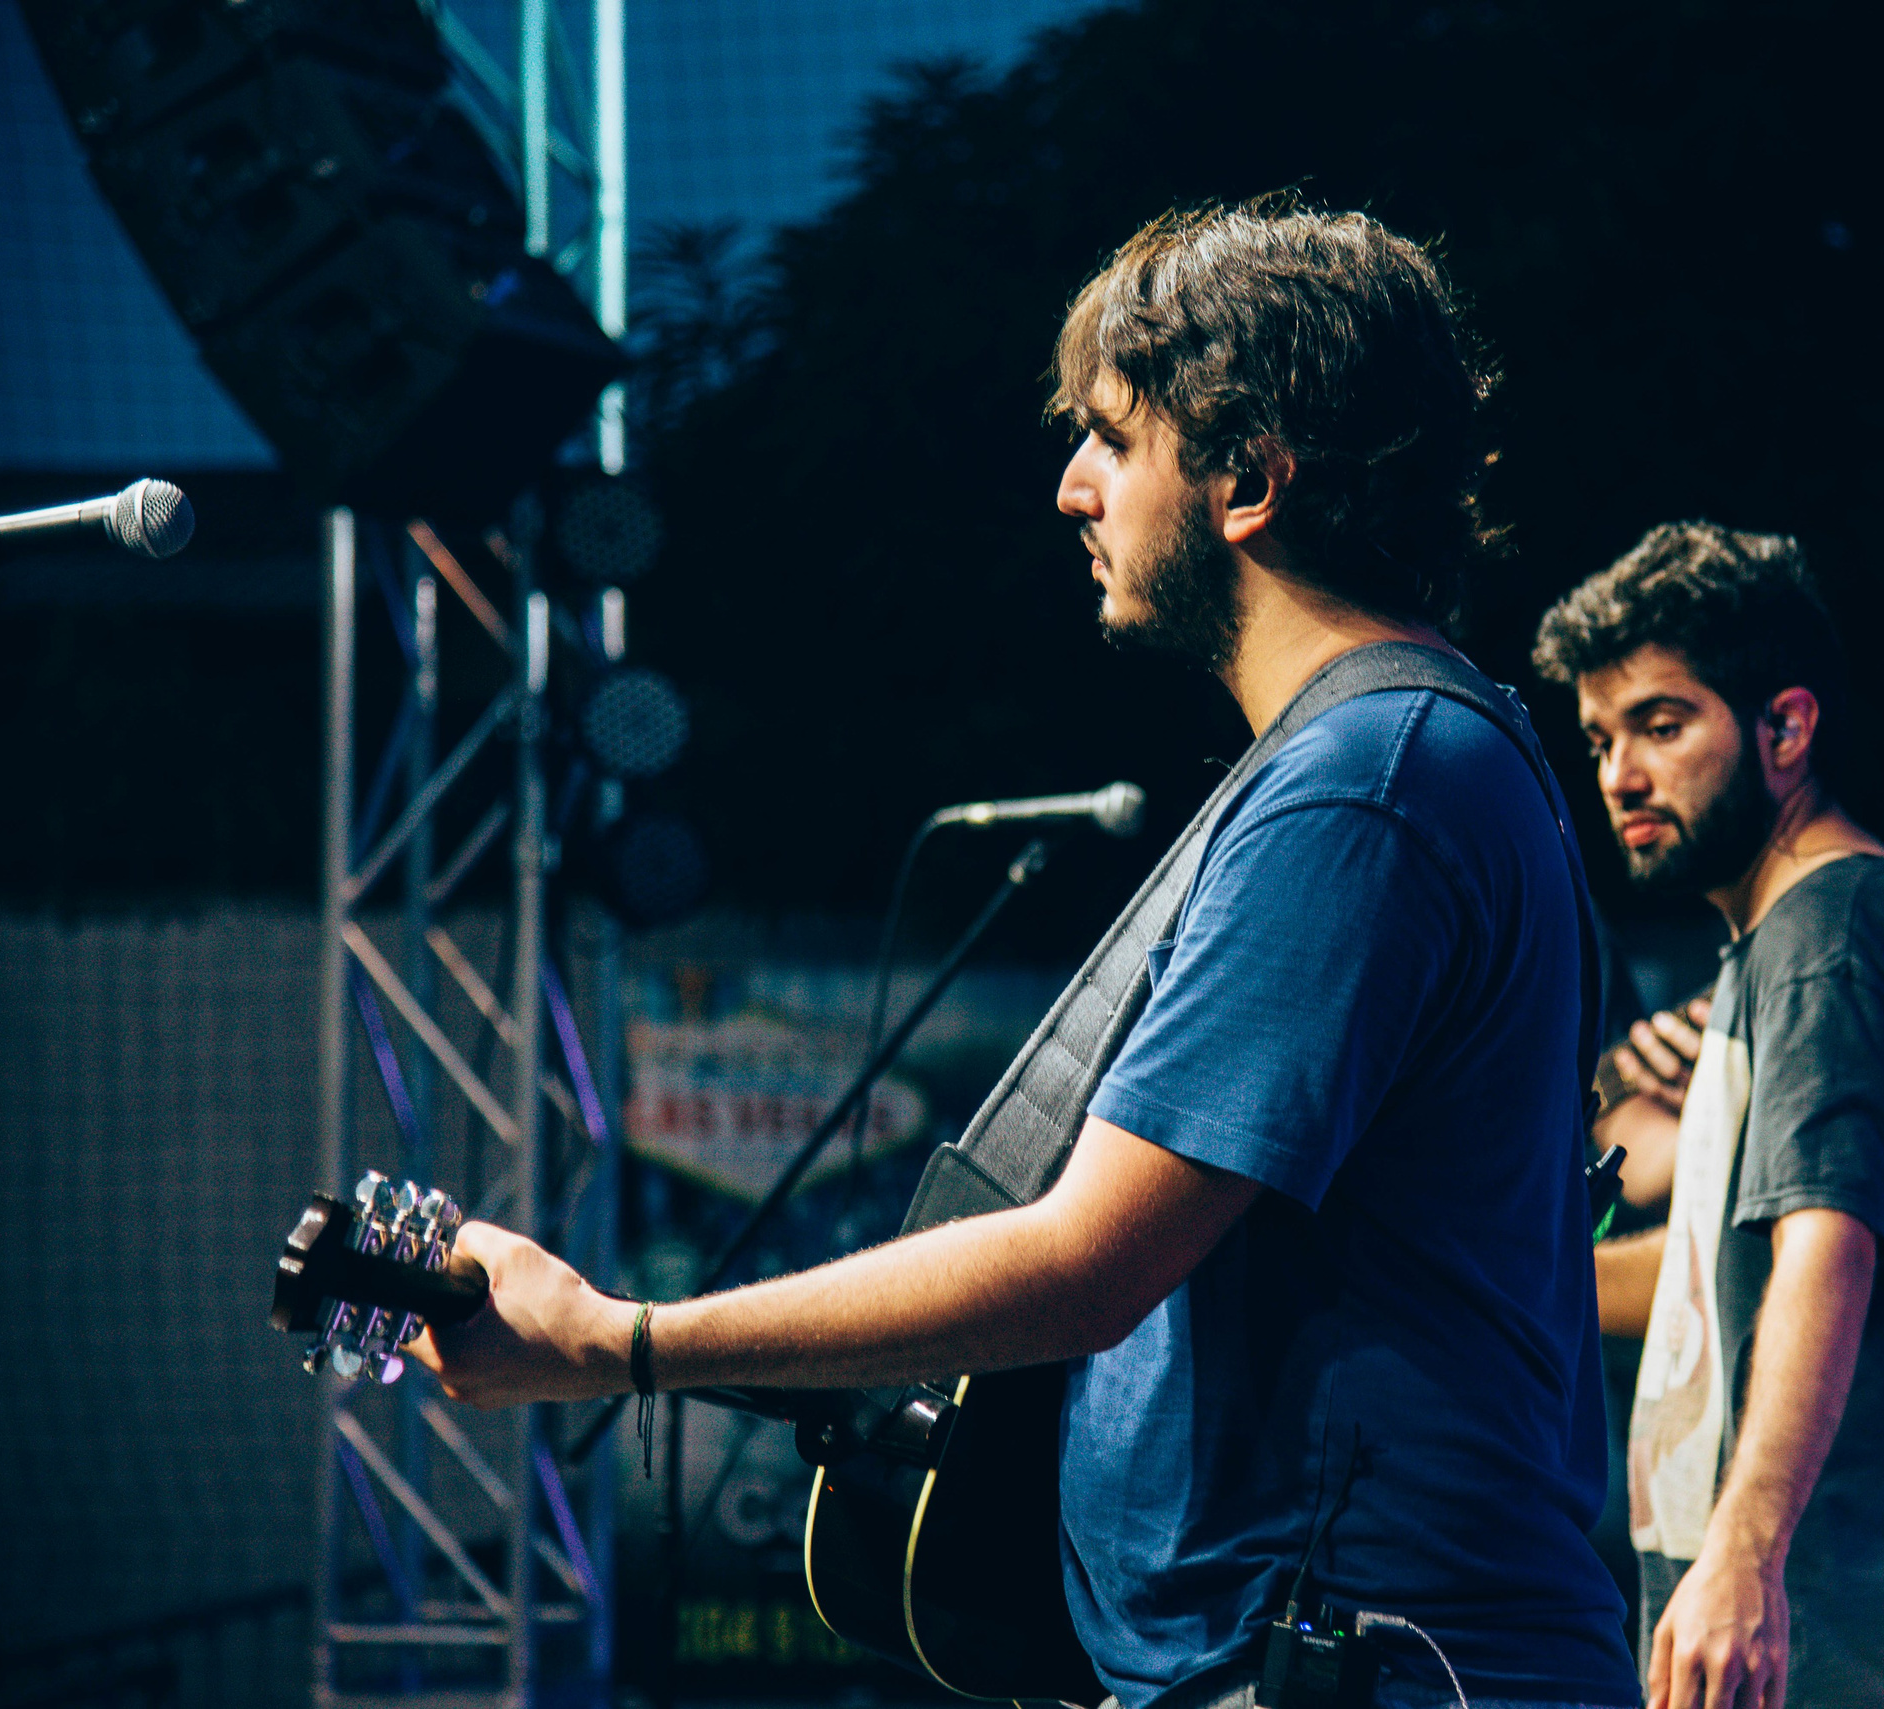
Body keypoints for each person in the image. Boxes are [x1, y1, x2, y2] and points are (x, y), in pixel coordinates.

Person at [411, 203, 1641, 1709]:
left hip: (1365, 1665)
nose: (1071, 490)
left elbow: (1085, 1262)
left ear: (1249, 478)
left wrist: (619, 1340)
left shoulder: (1362, 787)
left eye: (1113, 441)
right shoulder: (1410, 756)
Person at [1532, 522, 1884, 1709]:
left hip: (1841, 1638)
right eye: (1599, 739)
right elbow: (1717, 1271)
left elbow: (1826, 1251)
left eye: (1660, 723)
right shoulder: (1790, 944)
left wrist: (1742, 1552)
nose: (1618, 776)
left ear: (1784, 728)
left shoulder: (1825, 940)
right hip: (1815, 1637)